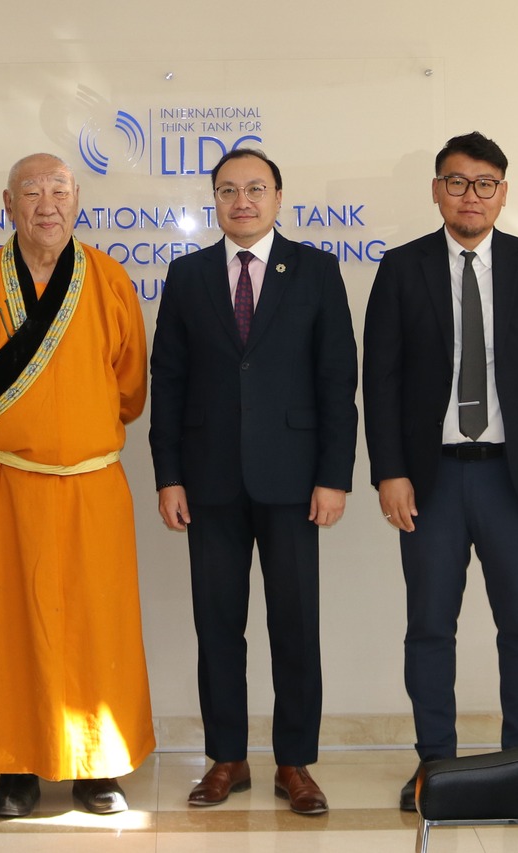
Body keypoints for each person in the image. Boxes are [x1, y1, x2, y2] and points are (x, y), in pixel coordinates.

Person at [0, 153, 153, 818]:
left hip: (90, 488)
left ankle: (96, 766)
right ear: (8, 203)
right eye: (32, 192)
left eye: (59, 191)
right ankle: (14, 765)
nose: (46, 204)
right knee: (4, 628)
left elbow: (129, 388)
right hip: (1, 486)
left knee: (96, 628)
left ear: (77, 201)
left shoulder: (110, 281)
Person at [363, 132, 518, 811]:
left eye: (485, 183)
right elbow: (381, 379)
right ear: (437, 190)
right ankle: (437, 765)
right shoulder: (401, 268)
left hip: (513, 479)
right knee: (430, 627)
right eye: (457, 182)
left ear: (503, 193)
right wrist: (389, 471)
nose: (471, 196)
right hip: (429, 479)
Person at [149, 147, 359, 817]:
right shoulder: (187, 275)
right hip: (207, 480)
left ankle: (294, 761)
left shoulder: (316, 270)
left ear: (277, 197)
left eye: (255, 189)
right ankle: (227, 758)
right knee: (218, 625)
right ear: (214, 199)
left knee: (295, 625)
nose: (242, 201)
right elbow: (168, 381)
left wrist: (333, 476)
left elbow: (338, 380)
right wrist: (168, 475)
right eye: (228, 190)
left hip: (294, 480)